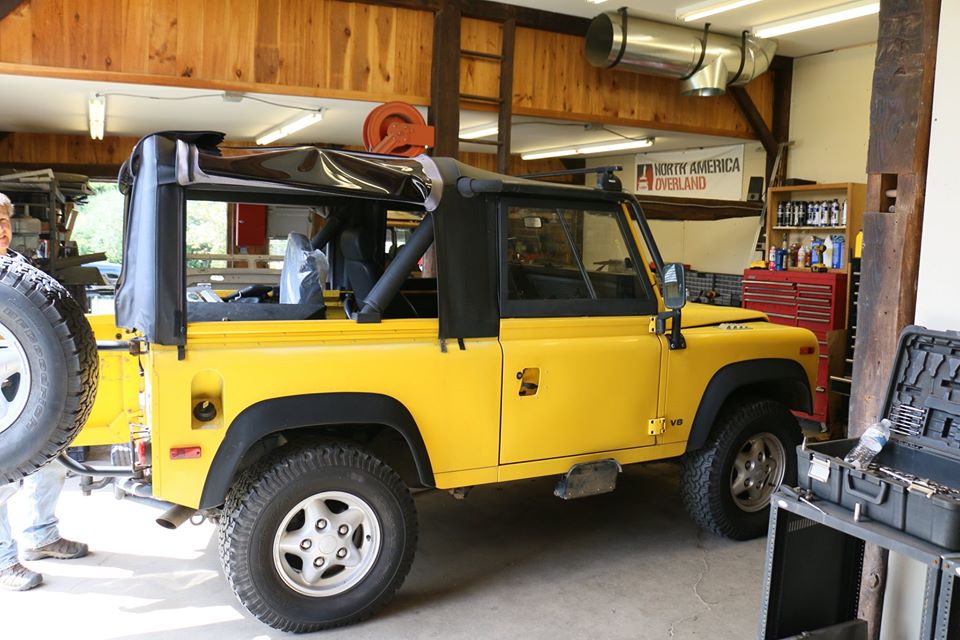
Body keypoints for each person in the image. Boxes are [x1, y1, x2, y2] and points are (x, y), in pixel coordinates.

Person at [0, 192, 88, 591]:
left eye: (4, 220)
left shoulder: (16, 269)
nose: (2, 229)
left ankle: (41, 536)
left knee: (48, 460)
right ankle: (4, 562)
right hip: (8, 387)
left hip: (25, 382)